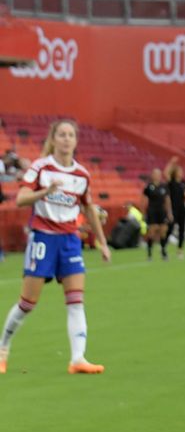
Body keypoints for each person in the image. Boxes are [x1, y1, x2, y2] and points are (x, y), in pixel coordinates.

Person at [0, 119, 111, 375]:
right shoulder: (41, 167)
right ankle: (3, 349)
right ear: (54, 138)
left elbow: (89, 209)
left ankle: (78, 358)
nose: (66, 139)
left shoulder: (82, 175)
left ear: (76, 140)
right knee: (28, 303)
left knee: (76, 301)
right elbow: (20, 199)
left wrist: (102, 242)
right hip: (43, 239)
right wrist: (45, 191)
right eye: (61, 134)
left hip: (70, 240)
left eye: (71, 134)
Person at [142, 168, 171, 261]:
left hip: (161, 211)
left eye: (158, 174)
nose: (156, 176)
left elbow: (167, 200)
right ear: (152, 175)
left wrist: (169, 212)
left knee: (163, 231)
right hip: (152, 211)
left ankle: (163, 251)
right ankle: (149, 253)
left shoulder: (164, 186)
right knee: (152, 231)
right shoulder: (148, 187)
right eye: (155, 174)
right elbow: (143, 200)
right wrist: (143, 212)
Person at [164, 158, 185, 260]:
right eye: (179, 171)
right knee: (170, 228)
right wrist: (171, 162)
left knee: (182, 229)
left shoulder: (184, 183)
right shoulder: (171, 182)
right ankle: (163, 246)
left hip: (182, 208)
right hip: (173, 208)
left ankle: (180, 250)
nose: (181, 173)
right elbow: (165, 173)